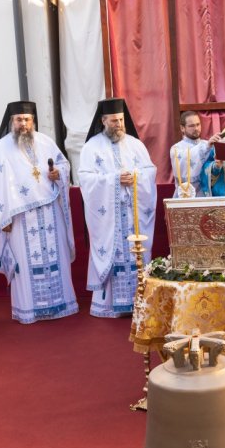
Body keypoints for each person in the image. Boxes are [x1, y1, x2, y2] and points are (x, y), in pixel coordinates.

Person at [0, 101, 78, 324]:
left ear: (33, 120)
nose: (23, 124)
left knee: (56, 257)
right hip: (21, 218)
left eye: (27, 119)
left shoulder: (46, 142)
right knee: (26, 265)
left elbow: (64, 164)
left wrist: (58, 174)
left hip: (50, 212)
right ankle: (30, 309)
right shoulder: (0, 149)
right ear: (12, 121)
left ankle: (61, 303)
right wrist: (2, 218)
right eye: (19, 120)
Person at [79, 98, 157, 317]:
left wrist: (135, 177)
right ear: (103, 121)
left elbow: (150, 171)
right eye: (114, 121)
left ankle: (139, 302)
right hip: (109, 218)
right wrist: (114, 179)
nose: (119, 125)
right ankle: (109, 305)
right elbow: (85, 178)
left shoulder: (135, 144)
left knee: (135, 254)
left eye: (121, 120)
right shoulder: (91, 147)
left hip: (132, 213)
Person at [169, 110, 210, 197]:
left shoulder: (207, 145)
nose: (196, 128)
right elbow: (186, 157)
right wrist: (207, 147)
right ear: (182, 128)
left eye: (198, 124)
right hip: (184, 197)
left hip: (206, 196)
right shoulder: (176, 149)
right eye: (191, 126)